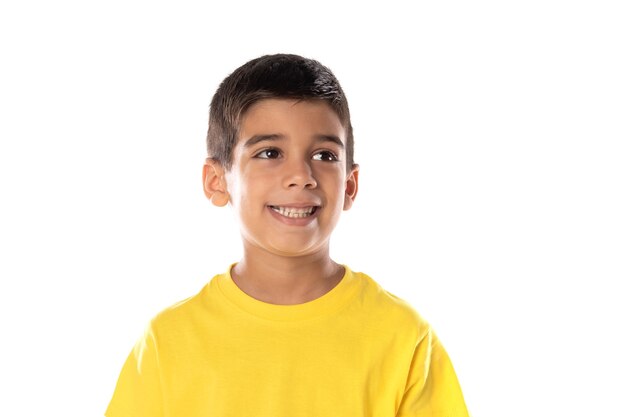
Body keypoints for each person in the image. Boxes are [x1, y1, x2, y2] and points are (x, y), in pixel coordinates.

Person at [105, 53, 470, 416]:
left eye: (325, 156)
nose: (301, 174)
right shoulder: (168, 342)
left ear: (350, 185)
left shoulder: (404, 338)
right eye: (270, 152)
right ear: (217, 181)